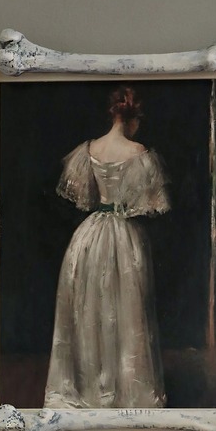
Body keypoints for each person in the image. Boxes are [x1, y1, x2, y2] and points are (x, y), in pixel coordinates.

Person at [43, 86, 170, 410]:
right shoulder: (139, 153)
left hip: (88, 239)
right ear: (134, 119)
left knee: (93, 311)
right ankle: (120, 392)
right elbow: (148, 204)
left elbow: (83, 198)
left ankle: (95, 388)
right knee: (123, 313)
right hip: (123, 238)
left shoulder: (89, 150)